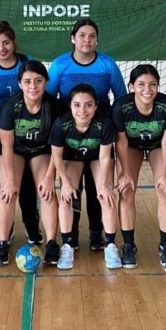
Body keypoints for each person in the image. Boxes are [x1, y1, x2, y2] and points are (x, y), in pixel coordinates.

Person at [47, 19, 127, 251]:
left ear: (97, 40)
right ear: (73, 38)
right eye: (82, 35)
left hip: (98, 134)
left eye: (92, 36)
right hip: (70, 133)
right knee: (71, 187)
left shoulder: (106, 64)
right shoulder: (60, 64)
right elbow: (51, 100)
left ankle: (96, 234)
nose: (87, 40)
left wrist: (108, 126)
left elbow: (120, 97)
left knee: (98, 188)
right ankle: (70, 238)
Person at [0, 21, 42, 245]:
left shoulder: (26, 62)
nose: (1, 47)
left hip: (26, 130)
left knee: (28, 184)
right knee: (4, 181)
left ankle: (32, 225)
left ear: (13, 43)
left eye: (6, 42)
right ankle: (8, 227)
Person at [112, 64, 166, 269]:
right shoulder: (121, 107)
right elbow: (121, 143)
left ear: (158, 86)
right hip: (131, 146)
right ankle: (129, 246)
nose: (147, 89)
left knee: (165, 190)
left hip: (158, 145)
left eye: (152, 84)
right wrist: (124, 173)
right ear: (131, 86)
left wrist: (165, 173)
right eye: (141, 84)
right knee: (126, 190)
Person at [0, 61, 62, 267]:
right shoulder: (10, 108)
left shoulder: (54, 106)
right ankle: (3, 242)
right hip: (14, 152)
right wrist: (7, 179)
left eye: (38, 81)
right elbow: (6, 146)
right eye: (28, 82)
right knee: (8, 192)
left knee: (47, 191)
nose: (33, 86)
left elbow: (57, 147)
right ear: (20, 84)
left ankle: (51, 242)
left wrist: (51, 177)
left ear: (46, 82)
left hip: (42, 151)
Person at [51, 84, 119, 270]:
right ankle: (66, 245)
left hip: (97, 158)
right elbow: (56, 156)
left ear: (96, 106)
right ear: (70, 106)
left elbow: (105, 156)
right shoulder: (62, 124)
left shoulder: (104, 123)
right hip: (72, 158)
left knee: (106, 197)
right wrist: (64, 183)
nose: (82, 110)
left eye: (88, 105)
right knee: (66, 198)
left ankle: (111, 245)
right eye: (77, 105)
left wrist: (105, 184)